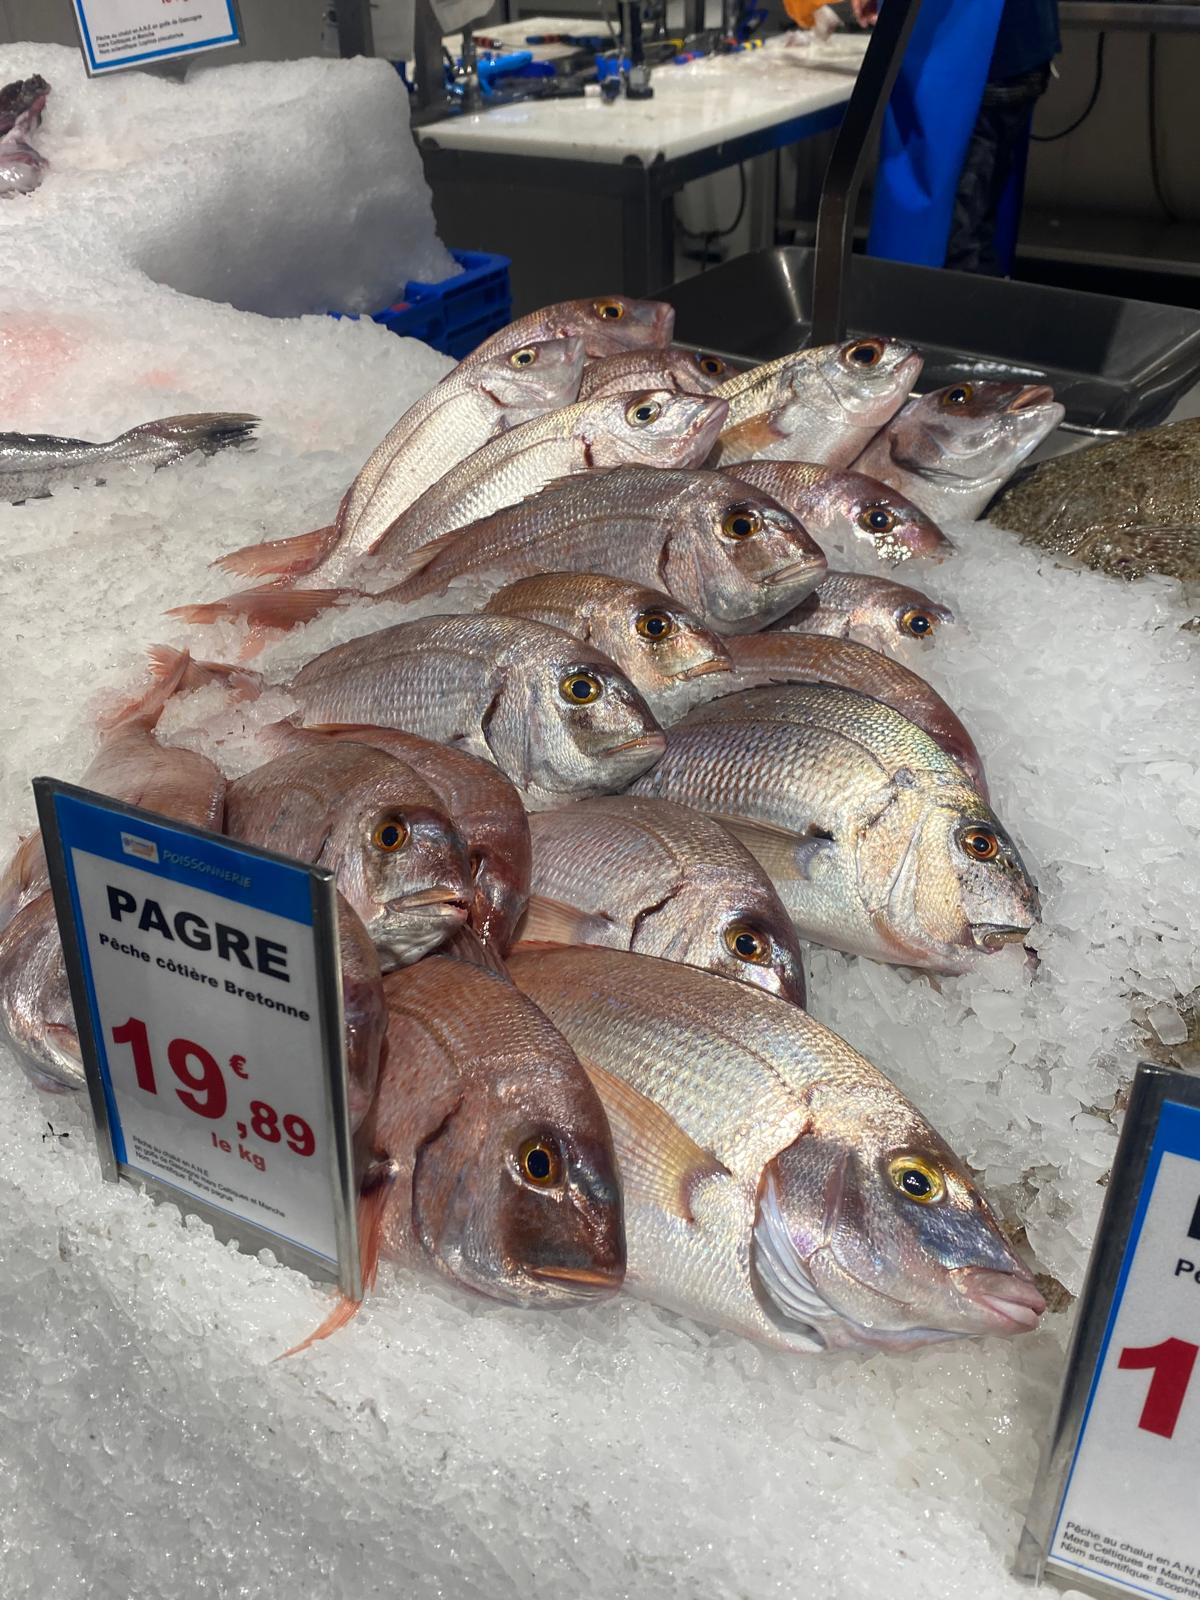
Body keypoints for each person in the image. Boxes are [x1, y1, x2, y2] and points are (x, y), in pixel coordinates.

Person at [854, 0, 1060, 275]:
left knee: (955, 244)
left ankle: (957, 314)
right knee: (972, 227)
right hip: (1007, 50)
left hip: (978, 57)